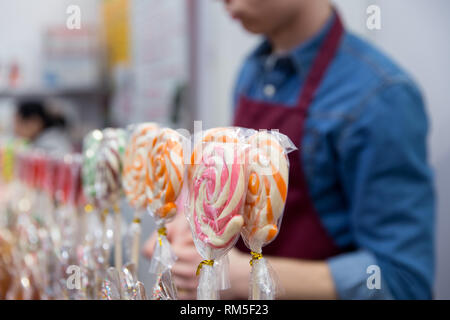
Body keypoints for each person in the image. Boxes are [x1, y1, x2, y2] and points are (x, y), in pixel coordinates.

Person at [144, 0, 435, 299]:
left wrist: (243, 275)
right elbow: (243, 193)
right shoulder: (252, 71)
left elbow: (402, 281)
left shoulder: (381, 97)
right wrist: (192, 225)